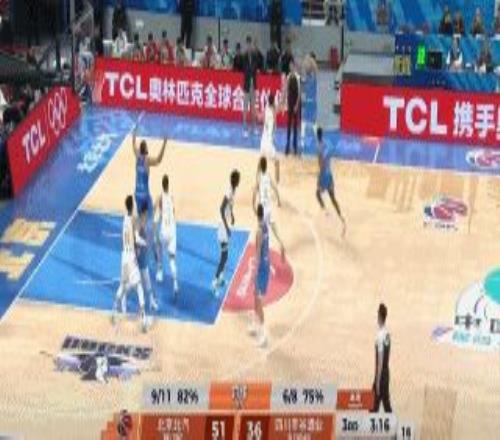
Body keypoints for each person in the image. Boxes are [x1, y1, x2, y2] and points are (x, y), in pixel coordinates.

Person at [248, 204, 285, 348]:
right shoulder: (265, 227)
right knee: (255, 297)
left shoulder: (258, 231)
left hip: (261, 269)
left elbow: (257, 255)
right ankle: (255, 324)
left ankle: (263, 335)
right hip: (266, 264)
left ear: (256, 214)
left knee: (258, 302)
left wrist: (253, 273)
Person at [112, 195, 148, 332]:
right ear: (132, 206)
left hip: (124, 257)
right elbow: (137, 239)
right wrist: (145, 243)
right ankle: (143, 318)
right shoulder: (133, 220)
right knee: (139, 286)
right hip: (131, 258)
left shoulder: (124, 219)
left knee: (122, 285)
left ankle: (114, 311)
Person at [212, 170, 241, 295]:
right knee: (224, 257)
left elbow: (229, 206)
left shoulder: (233, 191)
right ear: (235, 180)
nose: (239, 181)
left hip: (226, 225)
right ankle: (214, 283)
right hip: (223, 227)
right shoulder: (229, 192)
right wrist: (227, 227)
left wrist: (232, 215)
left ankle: (220, 278)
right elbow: (221, 208)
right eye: (238, 179)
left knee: (225, 256)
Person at [315, 127, 346, 236]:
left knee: (317, 194)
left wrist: (319, 175)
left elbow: (321, 164)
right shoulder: (327, 143)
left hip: (323, 175)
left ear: (317, 136)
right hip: (330, 174)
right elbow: (331, 154)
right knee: (333, 198)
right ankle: (341, 218)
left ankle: (325, 211)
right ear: (322, 134)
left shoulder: (319, 148)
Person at [155, 174, 179, 301]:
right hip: (173, 231)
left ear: (162, 184)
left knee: (158, 245)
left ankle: (159, 270)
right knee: (172, 260)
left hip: (164, 230)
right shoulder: (172, 197)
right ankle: (175, 284)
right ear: (168, 184)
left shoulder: (160, 197)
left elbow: (157, 214)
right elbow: (174, 213)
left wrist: (154, 226)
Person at [253, 157, 284, 248]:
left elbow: (254, 192)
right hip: (268, 206)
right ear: (266, 166)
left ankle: (259, 250)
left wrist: (253, 205)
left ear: (260, 166)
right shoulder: (269, 176)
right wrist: (278, 200)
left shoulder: (258, 178)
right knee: (271, 223)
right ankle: (280, 241)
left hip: (262, 208)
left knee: (260, 229)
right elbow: (275, 188)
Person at [137, 202, 158, 313]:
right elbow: (152, 241)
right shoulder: (144, 224)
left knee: (143, 281)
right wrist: (155, 254)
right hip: (141, 258)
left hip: (141, 258)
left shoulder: (141, 223)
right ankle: (148, 303)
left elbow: (151, 240)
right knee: (140, 282)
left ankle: (150, 302)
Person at [372, 303, 392, 413]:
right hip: (386, 374)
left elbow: (380, 360)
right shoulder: (387, 334)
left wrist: (377, 381)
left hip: (381, 376)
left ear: (379, 316)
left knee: (373, 406)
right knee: (386, 405)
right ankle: (394, 423)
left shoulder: (379, 336)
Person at [260, 93, 280, 184]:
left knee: (261, 162)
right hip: (268, 143)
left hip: (263, 141)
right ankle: (277, 183)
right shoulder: (273, 113)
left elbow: (262, 117)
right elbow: (275, 124)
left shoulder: (266, 108)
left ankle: (258, 182)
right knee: (277, 162)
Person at [301, 53, 318, 152]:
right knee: (304, 122)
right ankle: (302, 142)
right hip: (308, 102)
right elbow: (303, 88)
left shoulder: (314, 78)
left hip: (312, 103)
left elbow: (315, 69)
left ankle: (317, 141)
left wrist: (310, 59)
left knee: (313, 122)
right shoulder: (306, 79)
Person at [242, 36, 258, 138]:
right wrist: (251, 69)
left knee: (253, 107)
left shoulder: (255, 55)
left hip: (253, 85)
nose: (249, 46)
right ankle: (245, 128)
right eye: (248, 44)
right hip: (247, 85)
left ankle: (254, 127)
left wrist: (251, 69)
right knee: (245, 108)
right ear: (246, 44)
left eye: (250, 44)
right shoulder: (244, 57)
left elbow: (255, 68)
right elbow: (246, 70)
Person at [285, 59, 300, 156]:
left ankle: (295, 146)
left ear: (294, 66)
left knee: (295, 126)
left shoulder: (298, 77)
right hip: (290, 103)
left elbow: (299, 92)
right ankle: (287, 145)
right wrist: (286, 103)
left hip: (295, 104)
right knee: (289, 125)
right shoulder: (288, 77)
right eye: (290, 66)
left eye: (292, 66)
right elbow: (287, 90)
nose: (291, 67)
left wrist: (296, 105)